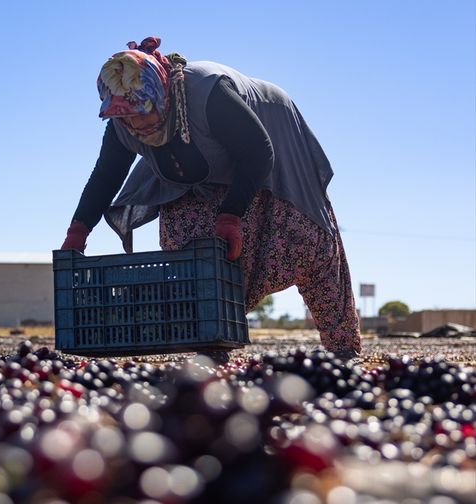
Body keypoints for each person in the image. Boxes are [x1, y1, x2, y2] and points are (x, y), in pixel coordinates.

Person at [60, 36, 360, 357]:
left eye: (142, 112)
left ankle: (343, 350)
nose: (136, 123)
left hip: (267, 149)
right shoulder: (125, 120)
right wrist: (78, 231)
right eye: (126, 116)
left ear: (162, 94)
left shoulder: (208, 93)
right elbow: (106, 176)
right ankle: (210, 349)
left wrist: (231, 215)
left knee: (309, 247)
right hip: (189, 175)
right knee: (196, 263)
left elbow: (257, 153)